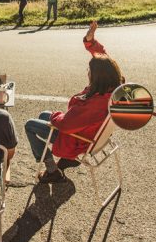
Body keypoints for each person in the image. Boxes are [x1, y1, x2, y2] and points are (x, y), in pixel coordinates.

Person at [23, 21, 124, 183]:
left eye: (89, 70)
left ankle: (52, 170)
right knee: (43, 114)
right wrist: (91, 42)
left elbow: (65, 125)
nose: (88, 72)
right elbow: (106, 63)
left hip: (78, 140)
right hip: (93, 134)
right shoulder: (115, 88)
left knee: (30, 125)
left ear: (96, 76)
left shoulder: (93, 104)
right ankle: (65, 161)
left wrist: (55, 116)